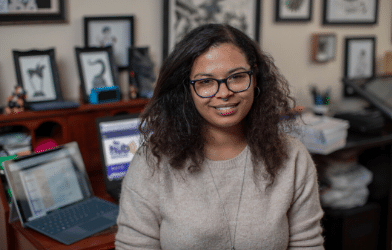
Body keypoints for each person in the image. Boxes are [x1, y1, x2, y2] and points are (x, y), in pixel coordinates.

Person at [115, 23, 324, 249]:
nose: (224, 93)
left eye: (236, 77)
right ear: (187, 89)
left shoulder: (293, 157)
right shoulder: (152, 163)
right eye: (205, 82)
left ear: (254, 77)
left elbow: (308, 245)